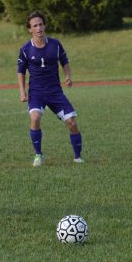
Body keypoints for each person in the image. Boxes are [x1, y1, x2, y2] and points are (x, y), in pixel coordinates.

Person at [17, 11, 83, 167]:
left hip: (55, 92)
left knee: (72, 123)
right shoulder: (26, 49)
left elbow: (65, 62)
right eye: (35, 26)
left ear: (44, 25)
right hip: (37, 93)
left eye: (41, 24)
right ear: (30, 29)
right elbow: (20, 71)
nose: (39, 28)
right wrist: (22, 92)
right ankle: (38, 155)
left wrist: (67, 76)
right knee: (34, 118)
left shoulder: (55, 44)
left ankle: (78, 157)